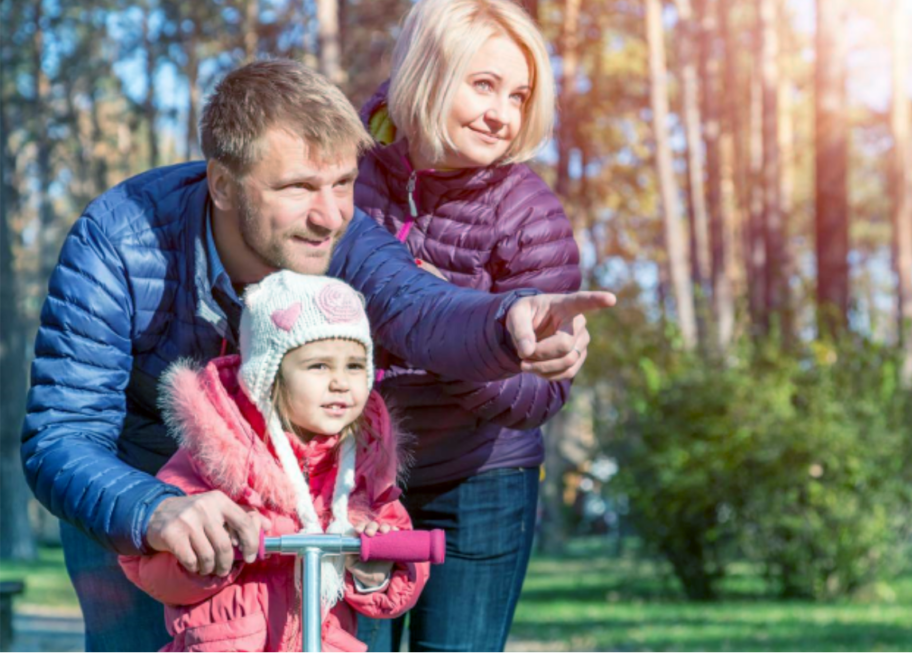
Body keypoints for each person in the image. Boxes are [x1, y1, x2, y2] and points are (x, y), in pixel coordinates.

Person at [20, 58, 614, 653]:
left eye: (342, 183)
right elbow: (61, 434)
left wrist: (507, 322)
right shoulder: (117, 244)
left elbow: (421, 308)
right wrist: (151, 508)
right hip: (141, 474)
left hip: (293, 496)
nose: (330, 215)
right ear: (222, 185)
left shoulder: (341, 237)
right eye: (298, 187)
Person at [354, 0, 580, 651]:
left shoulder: (531, 214)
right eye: (485, 85)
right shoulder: (345, 170)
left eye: (518, 95)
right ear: (427, 71)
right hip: (357, 480)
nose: (502, 115)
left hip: (479, 482)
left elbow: (541, 393)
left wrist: (451, 332)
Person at [119, 271, 424, 652]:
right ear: (269, 376)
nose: (341, 382)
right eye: (319, 366)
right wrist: (213, 551)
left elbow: (403, 554)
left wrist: (373, 570)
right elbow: (149, 566)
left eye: (354, 365)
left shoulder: (364, 468)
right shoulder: (216, 457)